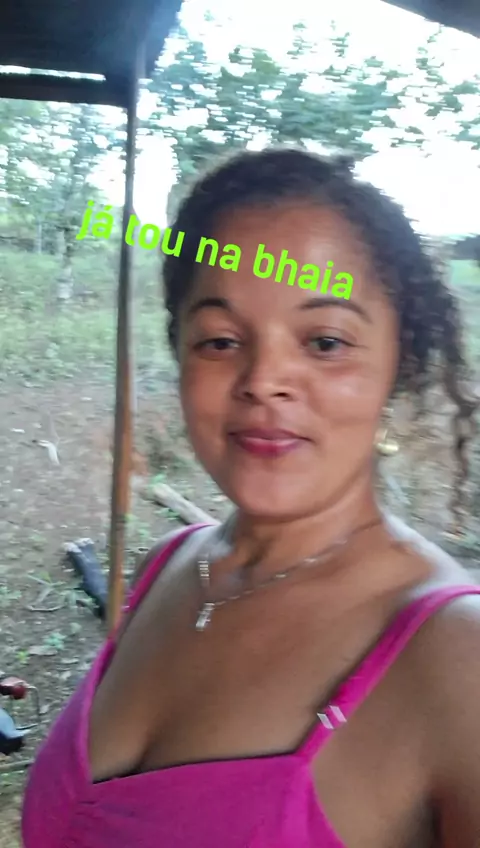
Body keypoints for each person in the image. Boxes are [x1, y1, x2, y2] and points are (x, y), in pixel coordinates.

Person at [22, 148, 480, 848]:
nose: (265, 378)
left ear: (399, 366)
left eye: (325, 341)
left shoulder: (456, 661)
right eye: (221, 340)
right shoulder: (168, 564)